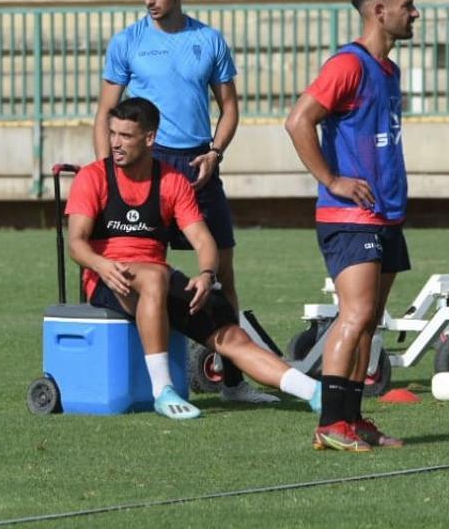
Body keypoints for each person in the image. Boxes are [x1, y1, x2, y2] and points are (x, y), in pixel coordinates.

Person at [92, 0, 274, 404]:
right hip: (146, 168)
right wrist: (109, 174)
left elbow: (229, 108)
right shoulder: (127, 42)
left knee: (222, 276)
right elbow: (104, 113)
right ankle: (143, 376)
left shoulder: (209, 40)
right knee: (137, 268)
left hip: (197, 165)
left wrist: (215, 152)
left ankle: (233, 383)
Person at [67, 97, 321, 420]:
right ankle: (163, 391)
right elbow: (76, 244)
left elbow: (204, 240)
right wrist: (102, 265)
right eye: (112, 133)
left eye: (125, 136)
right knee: (156, 277)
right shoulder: (93, 177)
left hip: (155, 282)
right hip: (107, 280)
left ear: (149, 138)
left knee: (232, 336)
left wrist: (205, 275)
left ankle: (313, 392)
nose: (115, 143)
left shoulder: (172, 181)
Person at [284, 0, 418, 452]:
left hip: (385, 216)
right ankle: (329, 423)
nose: (415, 12)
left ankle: (354, 419)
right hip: (349, 217)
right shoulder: (349, 64)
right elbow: (299, 120)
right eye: (407, 4)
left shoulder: (389, 70)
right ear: (379, 11)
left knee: (368, 321)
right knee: (355, 314)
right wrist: (333, 180)